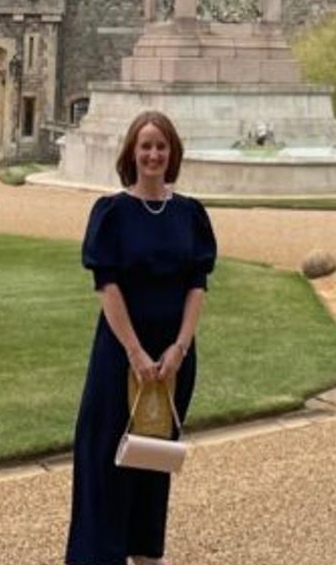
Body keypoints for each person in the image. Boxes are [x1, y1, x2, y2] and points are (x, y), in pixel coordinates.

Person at [66, 112, 216, 565]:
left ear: (173, 155)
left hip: (173, 358)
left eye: (161, 147)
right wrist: (134, 351)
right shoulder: (111, 212)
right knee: (106, 458)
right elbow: (106, 286)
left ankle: (146, 554)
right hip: (121, 354)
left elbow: (197, 285)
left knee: (153, 460)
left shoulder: (190, 213)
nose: (153, 154)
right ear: (132, 152)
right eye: (146, 146)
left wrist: (179, 347)